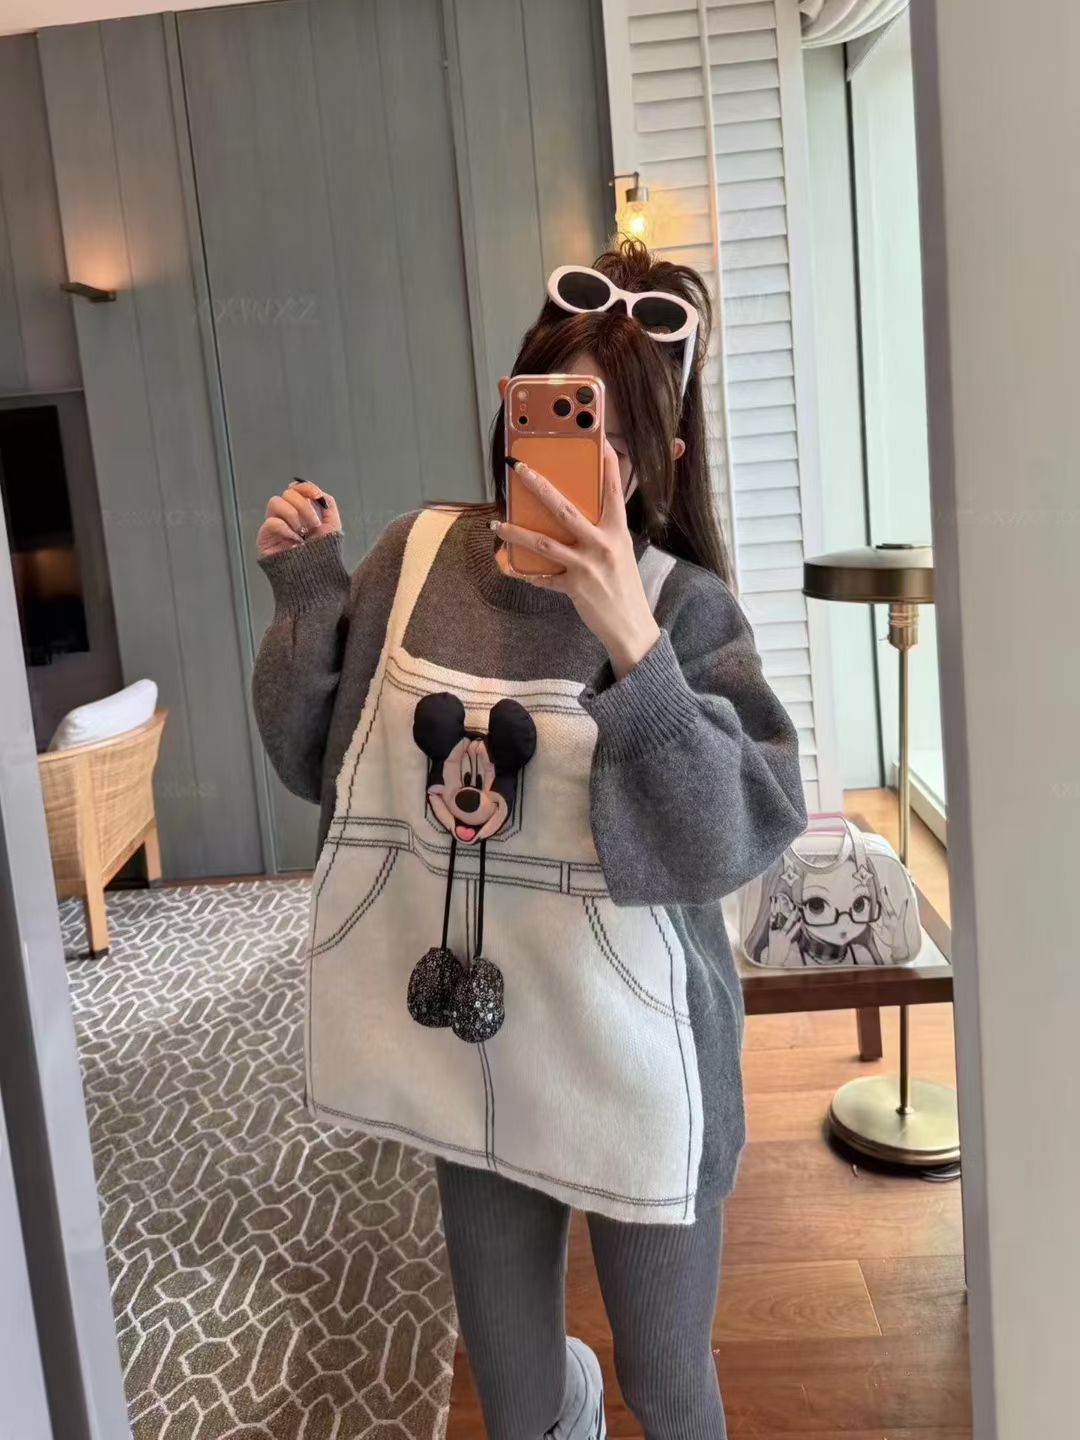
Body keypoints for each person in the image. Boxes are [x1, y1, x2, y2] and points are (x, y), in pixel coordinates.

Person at [252, 239, 807, 1440]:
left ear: (660, 459)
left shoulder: (683, 606)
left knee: (669, 1388)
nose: (551, 459)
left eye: (596, 434)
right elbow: (316, 765)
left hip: (644, 1062)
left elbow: (734, 835)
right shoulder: (413, 561)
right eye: (544, 414)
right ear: (509, 413)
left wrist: (630, 639)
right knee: (515, 1402)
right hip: (481, 1047)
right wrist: (306, 598)